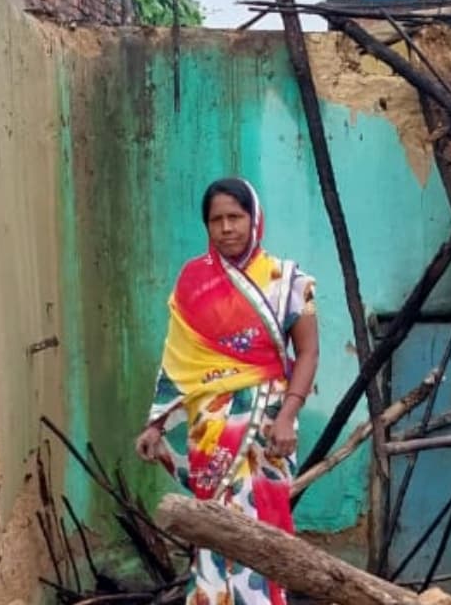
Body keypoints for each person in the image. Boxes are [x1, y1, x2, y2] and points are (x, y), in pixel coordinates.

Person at [136, 178, 319, 605]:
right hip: (210, 429)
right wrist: (156, 424)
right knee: (213, 528)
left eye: (235, 217)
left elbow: (308, 353)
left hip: (268, 425)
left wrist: (288, 416)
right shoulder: (193, 281)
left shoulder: (288, 281)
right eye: (216, 220)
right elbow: (179, 362)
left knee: (263, 530)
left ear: (254, 219)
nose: (226, 228)